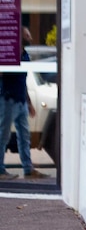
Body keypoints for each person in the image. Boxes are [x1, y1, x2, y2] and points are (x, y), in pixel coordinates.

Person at [0, 26, 47, 180]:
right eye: (27, 35)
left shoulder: (25, 54)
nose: (30, 37)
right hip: (8, 98)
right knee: (3, 135)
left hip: (20, 100)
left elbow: (23, 80)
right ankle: (0, 170)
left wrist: (29, 102)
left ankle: (28, 168)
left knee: (24, 135)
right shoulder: (8, 53)